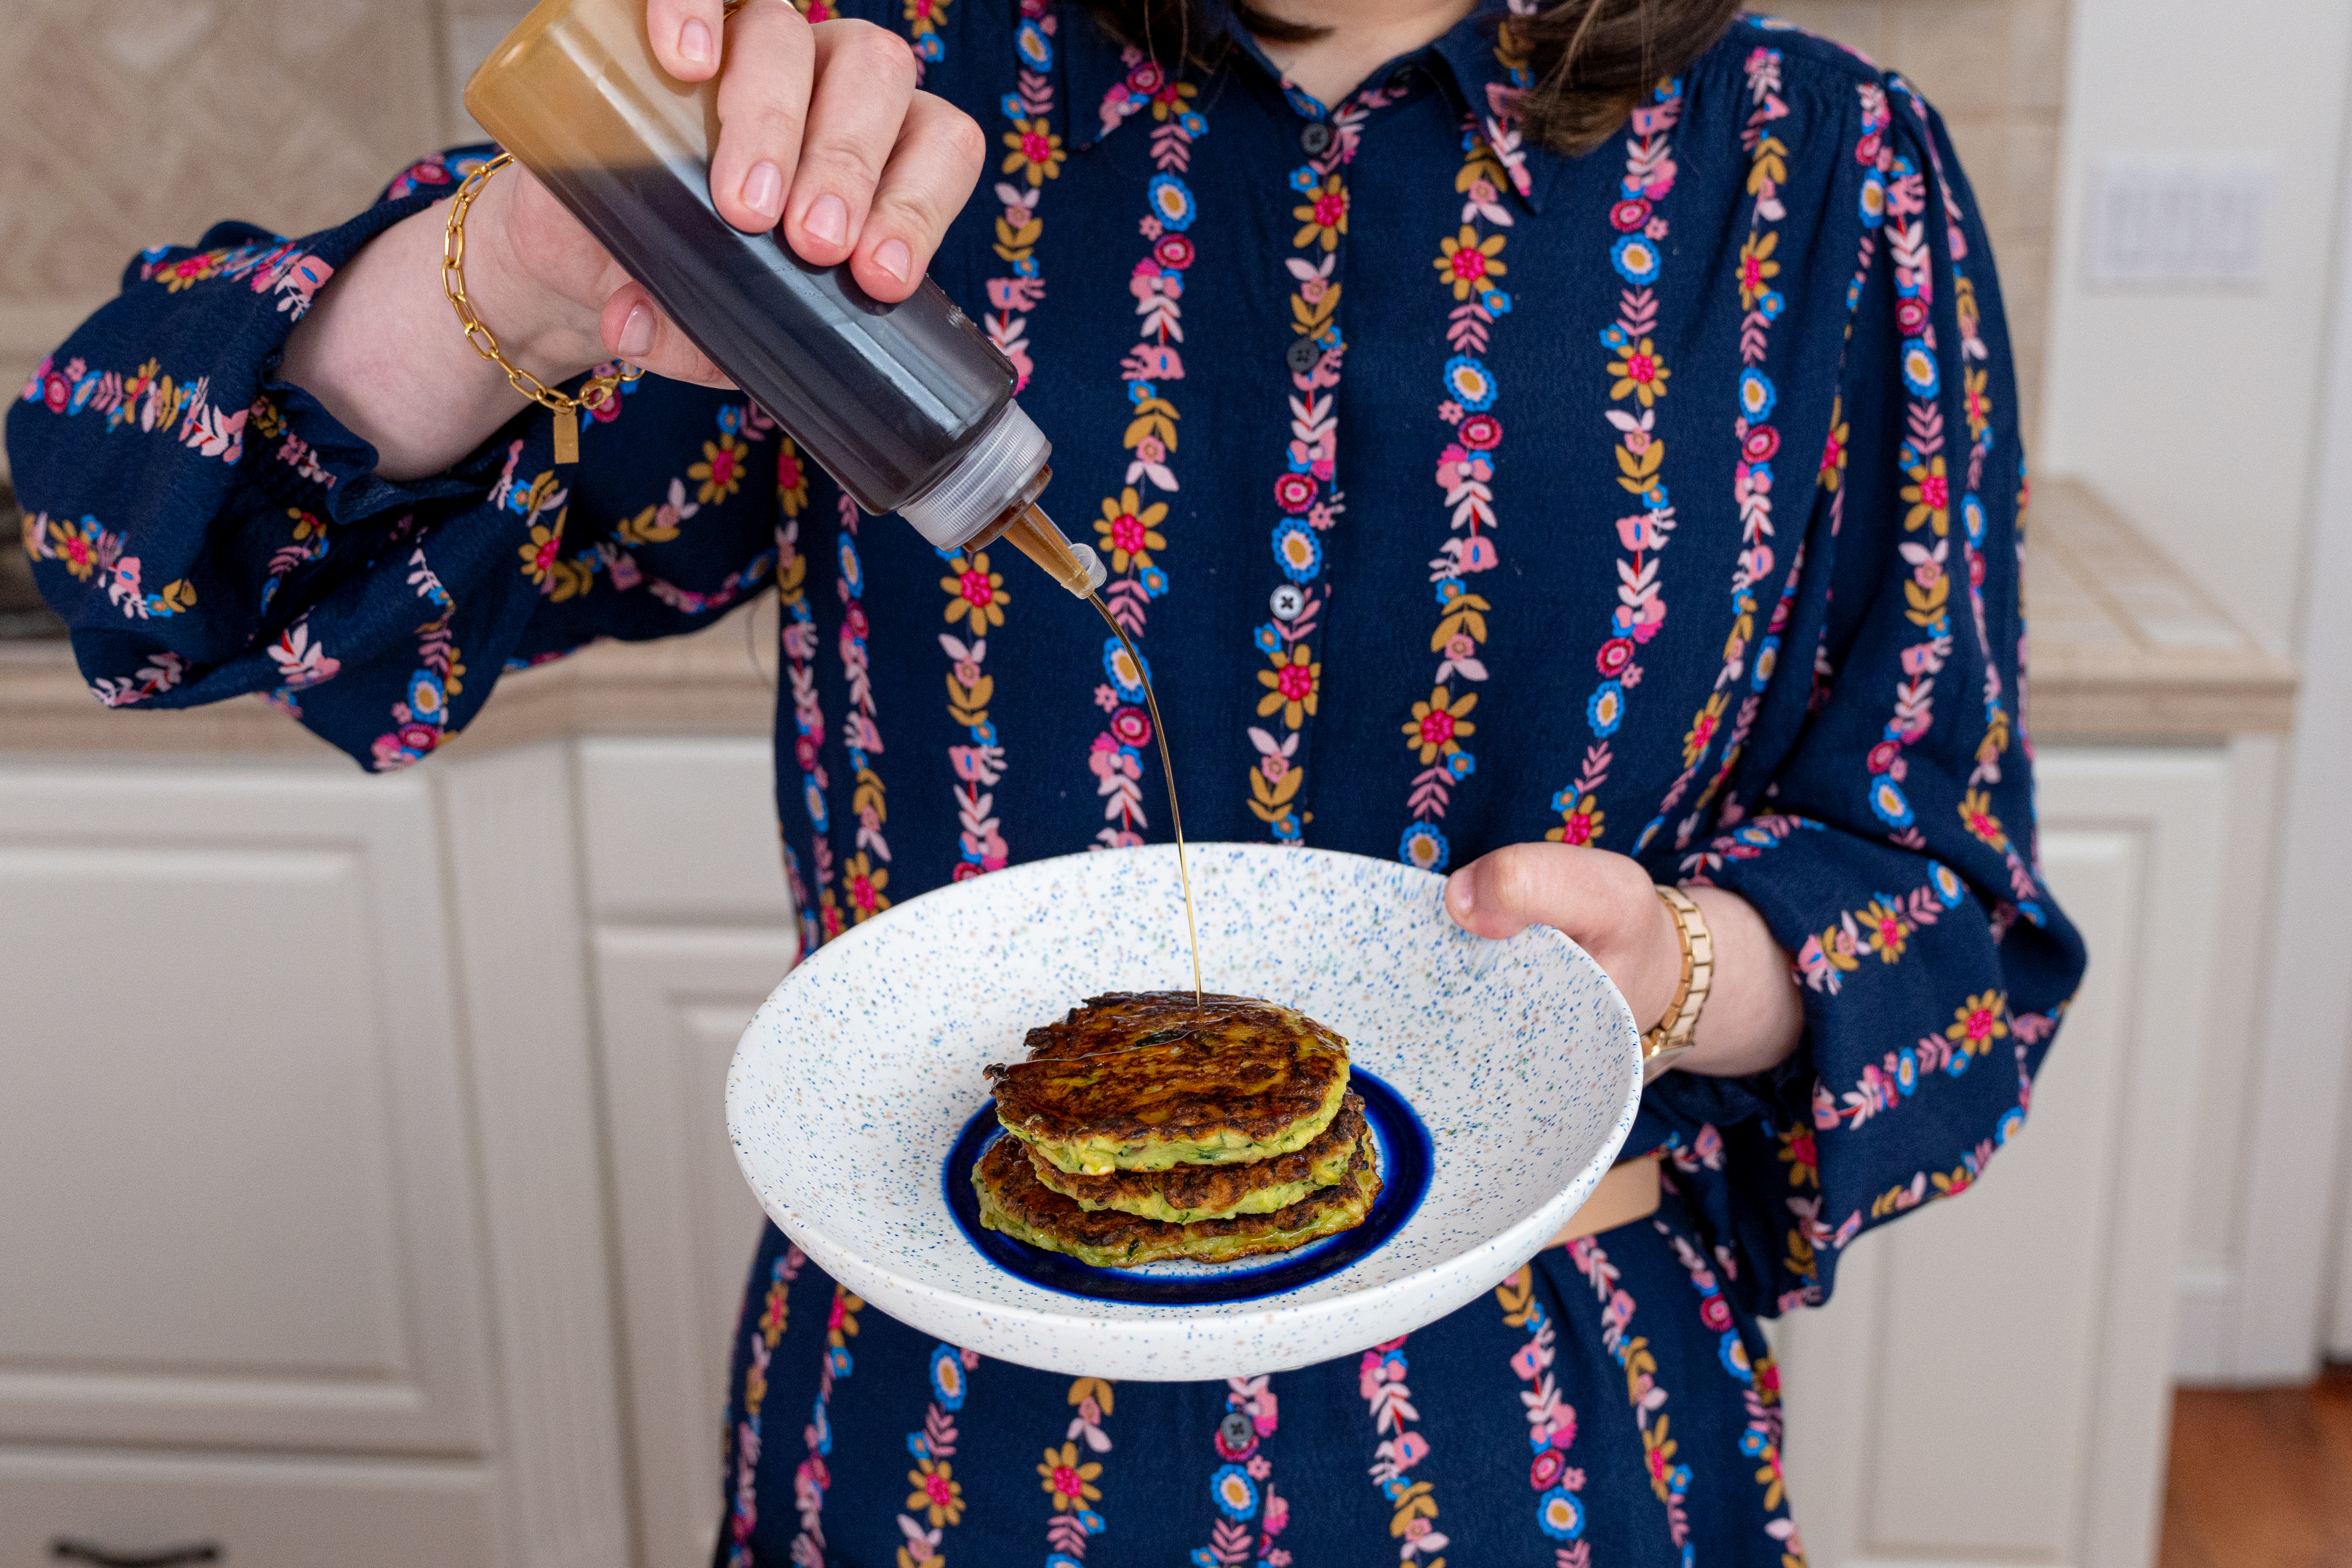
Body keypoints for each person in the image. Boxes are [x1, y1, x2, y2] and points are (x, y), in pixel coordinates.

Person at [8, 0, 2087, 1559]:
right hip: (944, 1447)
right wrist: (536, 267)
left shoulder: (1828, 172)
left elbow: (1951, 915)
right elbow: (161, 562)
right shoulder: (875, 112)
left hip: (1546, 1444)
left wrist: (1679, 969)